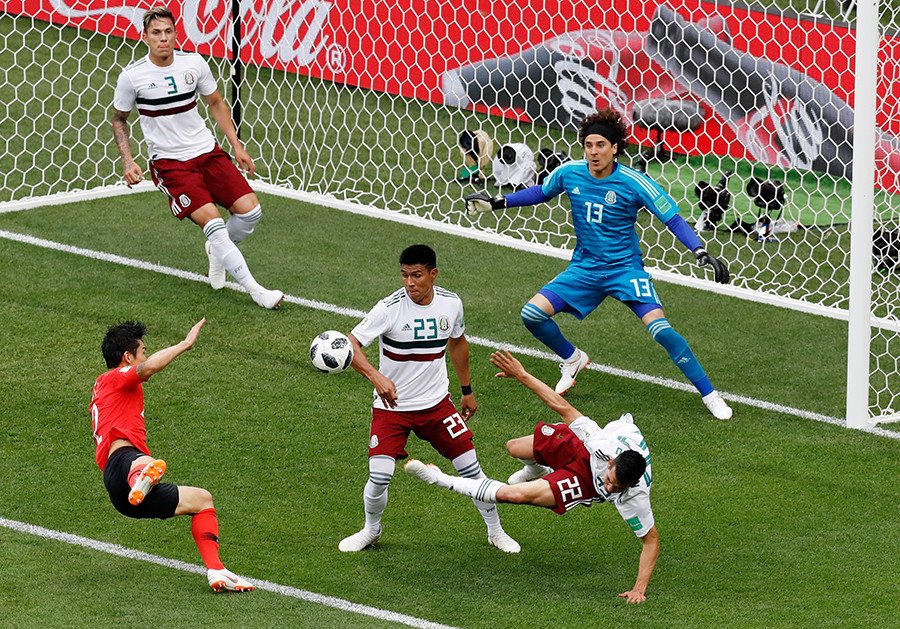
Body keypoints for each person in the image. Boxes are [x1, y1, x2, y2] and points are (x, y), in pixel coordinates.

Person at [465, 108, 733, 420]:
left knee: (661, 331)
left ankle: (710, 395)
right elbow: (542, 192)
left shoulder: (635, 182)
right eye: (589, 145)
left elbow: (671, 218)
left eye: (601, 145)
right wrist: (498, 202)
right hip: (585, 268)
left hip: (624, 270)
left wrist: (699, 251)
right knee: (532, 315)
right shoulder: (570, 172)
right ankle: (573, 358)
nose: (593, 152)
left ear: (615, 148)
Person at [405, 350, 658, 603]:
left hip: (585, 482)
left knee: (514, 495)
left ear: (631, 485)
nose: (610, 488)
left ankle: (438, 478)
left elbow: (650, 541)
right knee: (514, 448)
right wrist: (521, 374)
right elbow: (560, 405)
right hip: (586, 450)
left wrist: (639, 589)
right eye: (610, 480)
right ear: (611, 462)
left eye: (616, 488)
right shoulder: (601, 444)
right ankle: (536, 470)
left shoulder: (635, 495)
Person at [339, 244, 520, 553]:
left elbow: (458, 343)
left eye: (417, 275)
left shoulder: (451, 304)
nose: (409, 283)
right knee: (379, 476)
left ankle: (495, 531)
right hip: (392, 409)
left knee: (471, 469)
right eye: (404, 275)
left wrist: (467, 390)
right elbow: (351, 343)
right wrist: (376, 377)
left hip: (437, 406)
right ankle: (371, 529)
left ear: (433, 274)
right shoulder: (389, 308)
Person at [111, 6, 283, 309]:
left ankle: (217, 251)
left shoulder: (193, 63)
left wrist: (237, 145)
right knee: (214, 223)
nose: (163, 38)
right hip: (170, 164)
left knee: (251, 212)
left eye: (168, 32)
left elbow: (215, 102)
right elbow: (119, 120)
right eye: (156, 33)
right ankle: (257, 291)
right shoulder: (132, 77)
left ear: (176, 34)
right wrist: (128, 160)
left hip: (206, 151)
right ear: (145, 37)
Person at [89, 318, 253, 592]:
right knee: (144, 462)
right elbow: (148, 368)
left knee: (202, 500)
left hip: (120, 495)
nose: (146, 356)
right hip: (123, 462)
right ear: (128, 357)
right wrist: (185, 344)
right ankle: (141, 477)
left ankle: (216, 570)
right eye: (143, 351)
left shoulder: (102, 388)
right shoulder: (113, 378)